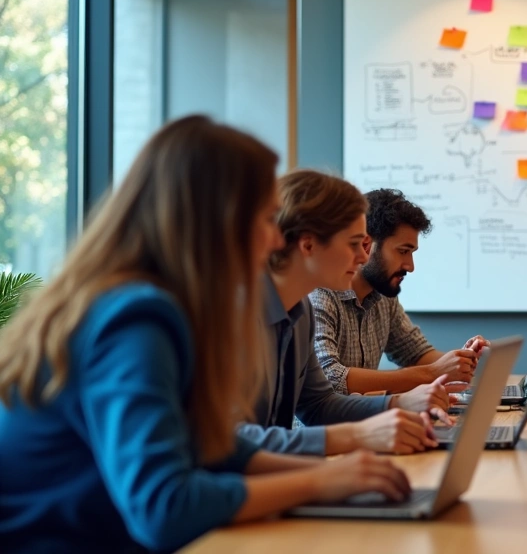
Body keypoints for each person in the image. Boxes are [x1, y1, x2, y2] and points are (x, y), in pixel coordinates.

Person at [0, 117, 409, 553]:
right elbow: (166, 508)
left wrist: (336, 472)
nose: (276, 239)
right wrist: (319, 481)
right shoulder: (135, 319)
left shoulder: (149, 304)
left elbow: (211, 445)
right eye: (268, 218)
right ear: (217, 219)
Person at [238, 171, 448, 456]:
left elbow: (318, 404)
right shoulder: (237, 315)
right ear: (308, 244)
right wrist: (358, 436)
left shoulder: (300, 312)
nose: (363, 257)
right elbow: (231, 441)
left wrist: (396, 405)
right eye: (353, 244)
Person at [310, 189, 489, 395]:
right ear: (367, 245)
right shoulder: (320, 294)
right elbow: (329, 378)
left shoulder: (383, 297)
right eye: (403, 251)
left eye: (411, 253)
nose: (410, 266)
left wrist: (462, 359)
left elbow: (416, 353)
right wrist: (431, 373)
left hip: (367, 422)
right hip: (323, 427)